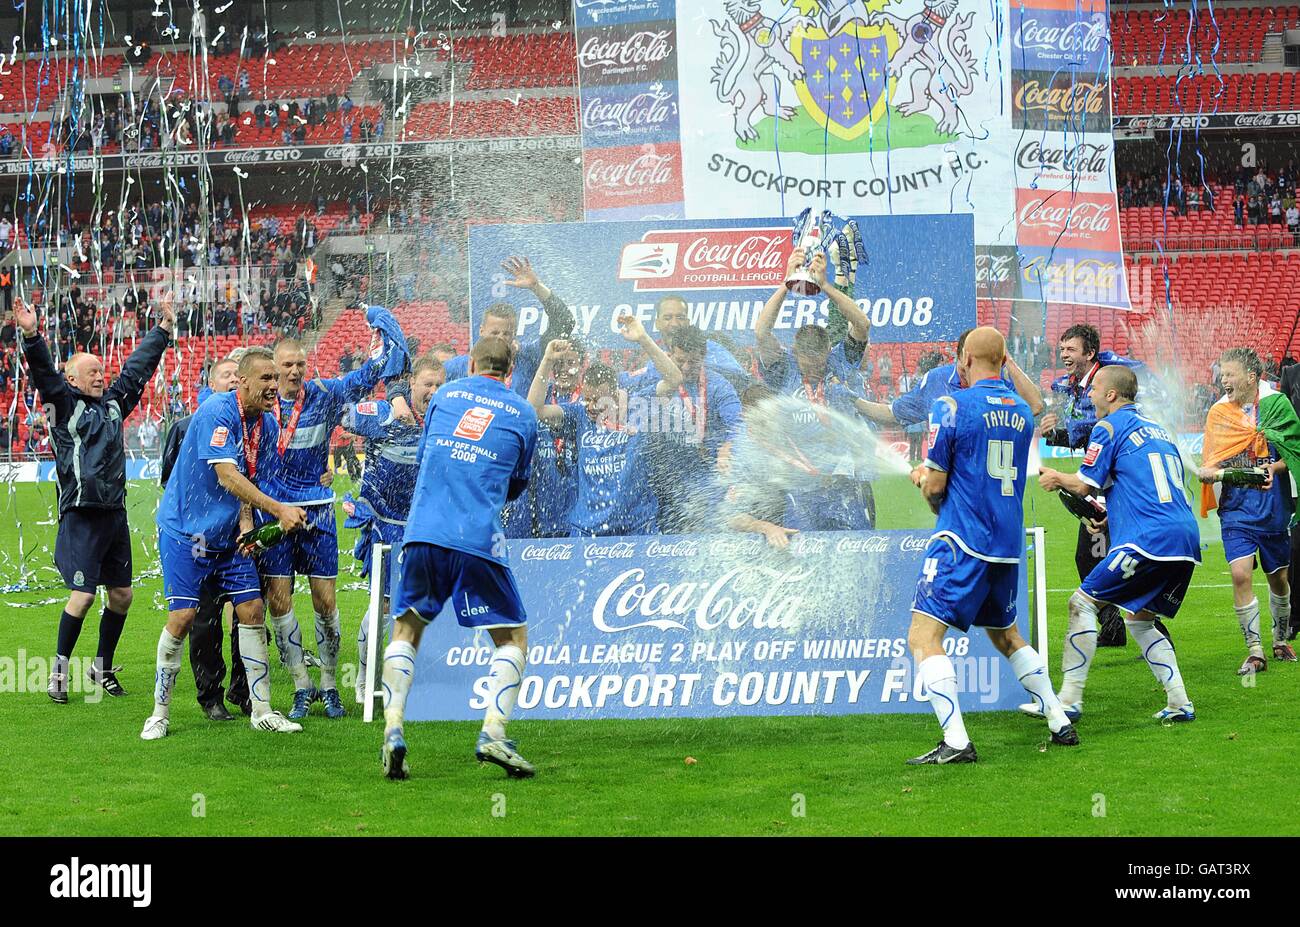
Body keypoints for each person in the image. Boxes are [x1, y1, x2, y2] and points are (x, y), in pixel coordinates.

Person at [906, 327, 1078, 764]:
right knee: (1006, 635)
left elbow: (936, 487)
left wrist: (926, 484)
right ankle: (1058, 719)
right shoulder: (1021, 411)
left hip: (961, 538)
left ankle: (957, 742)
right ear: (1004, 361)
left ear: (964, 359)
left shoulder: (952, 405)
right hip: (1005, 544)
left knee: (923, 637)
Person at [379, 337, 539, 780]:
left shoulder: (444, 396)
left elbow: (432, 451)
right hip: (478, 539)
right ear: (511, 369)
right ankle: (493, 731)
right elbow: (515, 484)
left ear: (470, 363)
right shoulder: (524, 413)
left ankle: (393, 729)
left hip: (424, 532)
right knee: (512, 639)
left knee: (407, 628)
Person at [144, 348, 309, 739]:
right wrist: (278, 508)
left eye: (276, 379)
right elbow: (226, 475)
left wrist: (262, 522)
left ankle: (262, 710)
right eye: (266, 379)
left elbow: (259, 484)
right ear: (244, 382)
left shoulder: (265, 426)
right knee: (183, 619)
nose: (274, 386)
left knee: (252, 609)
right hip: (188, 533)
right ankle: (159, 711)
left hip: (229, 538)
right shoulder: (218, 411)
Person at [15, 296, 173, 704]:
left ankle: (101, 668)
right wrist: (32, 336)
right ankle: (59, 671)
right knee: (83, 597)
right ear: (72, 380)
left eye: (103, 371)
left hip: (114, 516)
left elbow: (136, 371)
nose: (102, 377)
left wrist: (163, 330)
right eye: (92, 372)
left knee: (122, 596)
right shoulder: (62, 406)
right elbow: (44, 376)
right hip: (81, 518)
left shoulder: (114, 406)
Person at [1034, 366, 1200, 722]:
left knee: (1081, 603)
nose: (1089, 394)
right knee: (1140, 621)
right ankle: (1179, 702)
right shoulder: (1158, 430)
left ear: (1111, 395)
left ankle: (1069, 700)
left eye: (1094, 388)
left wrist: (1055, 477)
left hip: (1149, 538)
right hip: (1184, 538)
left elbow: (1083, 484)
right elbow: (1148, 483)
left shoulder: (1107, 426)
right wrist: (1116, 514)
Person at [258, 337, 397, 721]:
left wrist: (384, 347)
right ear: (274, 366)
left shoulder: (322, 394)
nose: (293, 371)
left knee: (325, 602)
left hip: (318, 509)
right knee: (279, 602)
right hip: (275, 510)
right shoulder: (262, 407)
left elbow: (363, 379)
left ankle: (331, 684)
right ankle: (302, 686)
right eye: (286, 365)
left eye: (299, 364)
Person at [1039, 323, 1163, 649]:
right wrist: (1056, 431)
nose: (1063, 354)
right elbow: (1081, 433)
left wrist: (1058, 476)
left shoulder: (1110, 379)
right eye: (1062, 348)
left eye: (1070, 349)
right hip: (1106, 478)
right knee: (1091, 556)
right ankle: (1114, 627)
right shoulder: (1074, 387)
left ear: (1090, 353)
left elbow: (1097, 430)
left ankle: (1152, 633)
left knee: (1119, 560)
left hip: (1119, 483)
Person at [343, 357, 444, 704]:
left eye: (439, 385)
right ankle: (364, 678)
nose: (433, 391)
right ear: (412, 382)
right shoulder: (385, 413)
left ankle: (413, 679)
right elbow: (340, 413)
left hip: (423, 528)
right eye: (427, 384)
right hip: (385, 527)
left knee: (422, 608)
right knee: (384, 606)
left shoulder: (443, 422)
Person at [528, 318, 683, 537]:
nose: (591, 407)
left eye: (598, 401)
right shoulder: (578, 414)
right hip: (587, 529)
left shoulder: (638, 407)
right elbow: (534, 410)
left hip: (636, 528)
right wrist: (546, 360)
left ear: (615, 393)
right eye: (587, 399)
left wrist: (643, 339)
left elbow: (675, 378)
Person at [1198, 348, 1300, 673]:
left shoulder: (1275, 404)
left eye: (1229, 374)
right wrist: (1208, 470)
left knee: (1279, 579)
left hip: (1273, 508)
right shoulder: (1218, 412)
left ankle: (1280, 639)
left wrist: (1276, 467)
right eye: (1222, 374)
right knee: (1240, 574)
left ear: (1251, 377)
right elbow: (1212, 459)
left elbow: (1295, 450)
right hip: (1236, 509)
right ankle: (1255, 651)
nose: (1223, 380)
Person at [159, 355, 250, 720]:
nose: (232, 381)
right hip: (197, 536)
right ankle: (209, 695)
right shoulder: (186, 426)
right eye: (226, 375)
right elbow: (170, 478)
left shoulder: (252, 424)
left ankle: (244, 691)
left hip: (241, 533)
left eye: (236, 376)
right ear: (213, 385)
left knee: (247, 612)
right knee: (205, 615)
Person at [432, 256, 574, 403]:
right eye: (494, 333)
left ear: (514, 334)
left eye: (506, 333)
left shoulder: (529, 357)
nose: (500, 338)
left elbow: (565, 321)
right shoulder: (457, 366)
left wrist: (536, 287)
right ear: (481, 331)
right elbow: (423, 385)